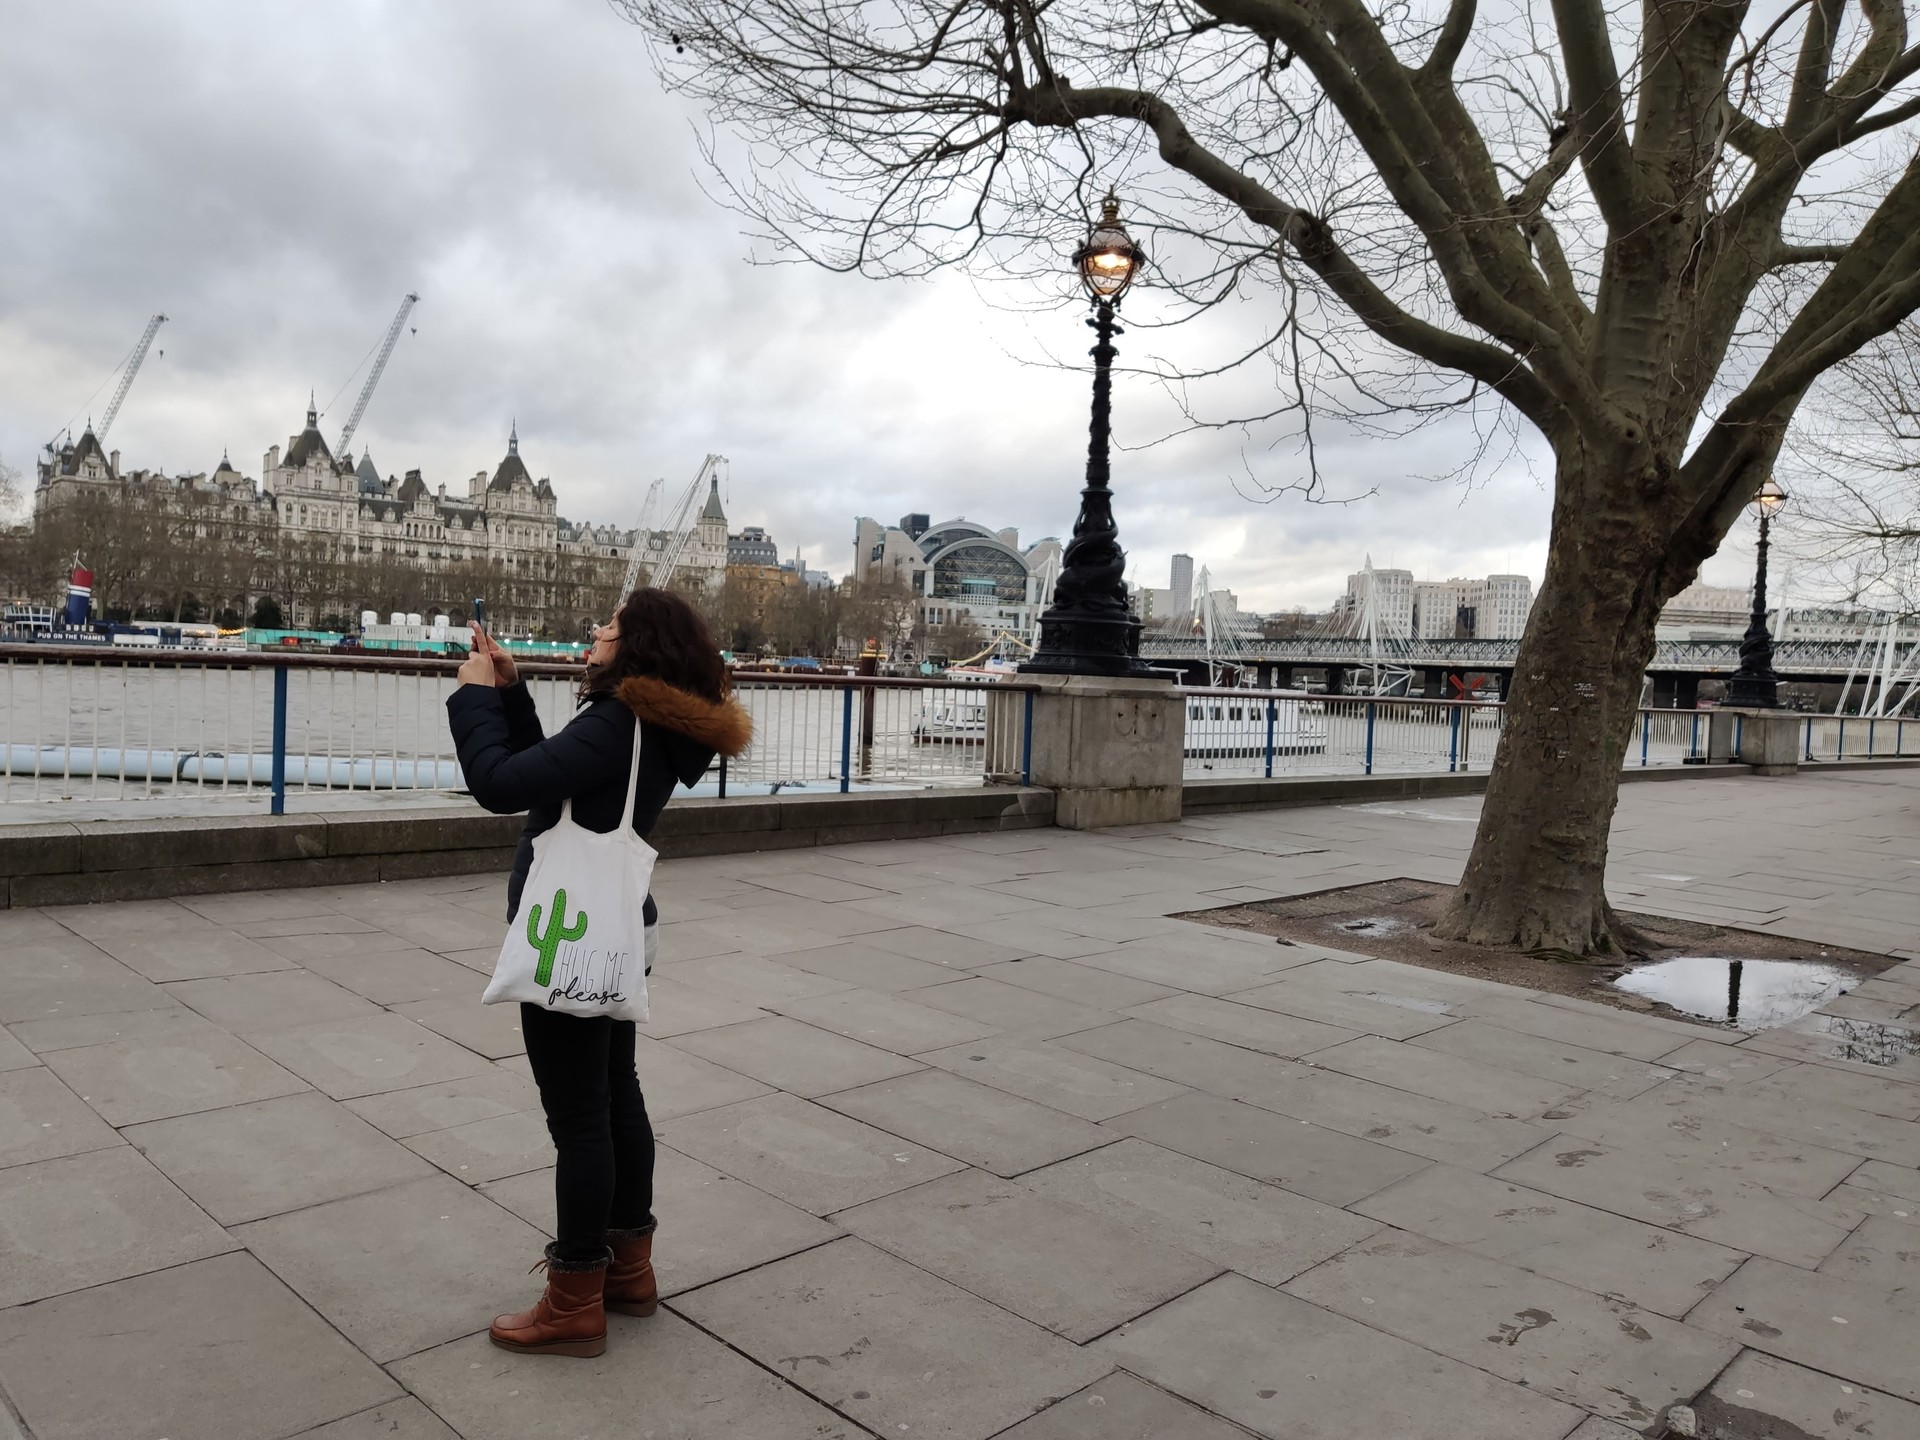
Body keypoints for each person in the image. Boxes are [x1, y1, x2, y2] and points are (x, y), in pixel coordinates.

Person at [446, 588, 750, 1357]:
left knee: (579, 1117)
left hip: (569, 940)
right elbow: (552, 773)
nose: (596, 631)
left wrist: (473, 698)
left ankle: (574, 1297)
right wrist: (513, 694)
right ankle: (630, 1271)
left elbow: (500, 785)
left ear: (637, 643)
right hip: (619, 931)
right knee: (616, 1098)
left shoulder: (619, 721)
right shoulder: (648, 723)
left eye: (609, 626)